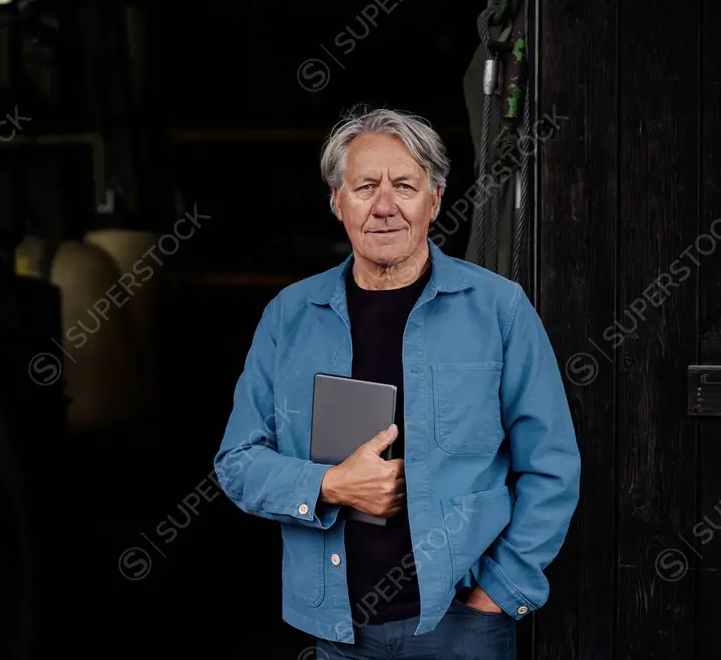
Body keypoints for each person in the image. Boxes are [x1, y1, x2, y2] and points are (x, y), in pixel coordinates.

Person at [213, 107, 580, 659]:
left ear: (433, 201)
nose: (384, 206)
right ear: (338, 202)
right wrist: (331, 485)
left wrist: (497, 594)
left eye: (404, 186)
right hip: (337, 629)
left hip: (460, 623)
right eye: (365, 187)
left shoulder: (498, 309)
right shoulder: (289, 316)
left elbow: (550, 465)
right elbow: (237, 461)